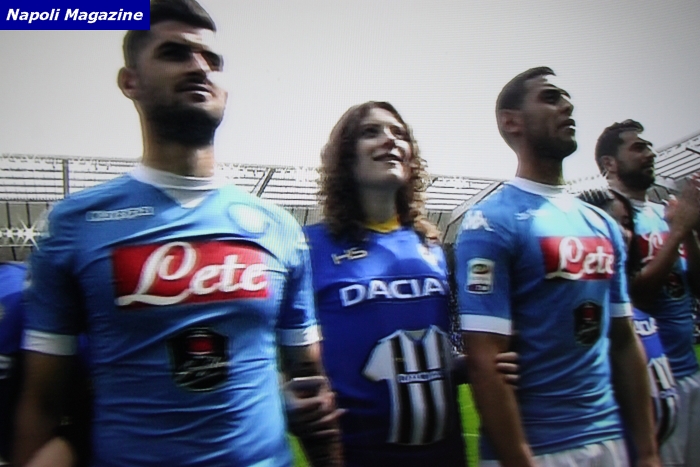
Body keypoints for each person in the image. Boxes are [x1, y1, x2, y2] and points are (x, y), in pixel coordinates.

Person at [13, 1, 340, 466]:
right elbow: (43, 401)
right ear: (130, 81)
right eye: (175, 53)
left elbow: (309, 381)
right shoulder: (75, 224)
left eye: (212, 60)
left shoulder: (279, 228)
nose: (199, 67)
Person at [456, 67, 659, 466]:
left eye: (566, 98)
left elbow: (623, 340)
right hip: (540, 447)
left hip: (608, 439)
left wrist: (649, 452)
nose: (567, 105)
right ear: (511, 122)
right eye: (550, 98)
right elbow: (485, 361)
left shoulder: (601, 223)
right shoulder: (490, 222)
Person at [304, 101, 516, 467]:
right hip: (359, 457)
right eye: (371, 132)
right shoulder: (310, 246)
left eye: (399, 134)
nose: (390, 140)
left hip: (446, 458)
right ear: (345, 156)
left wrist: (482, 364)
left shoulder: (430, 246)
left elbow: (433, 357)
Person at [596, 119, 700, 467]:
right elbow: (632, 298)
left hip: (690, 373)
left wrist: (689, 233)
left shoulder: (665, 213)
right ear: (610, 163)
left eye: (649, 146)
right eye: (638, 148)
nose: (650, 153)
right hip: (650, 384)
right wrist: (680, 230)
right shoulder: (609, 220)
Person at [578, 187, 679, 450]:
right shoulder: (590, 313)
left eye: (626, 223)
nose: (623, 233)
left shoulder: (631, 303)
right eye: (612, 222)